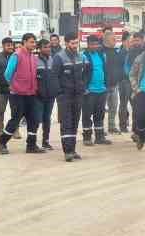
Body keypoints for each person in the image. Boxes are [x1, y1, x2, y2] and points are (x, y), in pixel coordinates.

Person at [0, 33, 43, 155]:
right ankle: (1, 142)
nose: (34, 44)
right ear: (24, 42)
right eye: (31, 42)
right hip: (17, 94)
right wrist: (15, 86)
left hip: (31, 94)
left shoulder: (33, 57)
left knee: (34, 120)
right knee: (15, 120)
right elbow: (7, 74)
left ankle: (31, 145)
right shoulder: (16, 55)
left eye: (35, 42)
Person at [51, 32, 90, 162]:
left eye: (76, 43)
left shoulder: (81, 57)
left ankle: (72, 150)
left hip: (78, 95)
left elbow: (86, 73)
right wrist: (59, 93)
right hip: (65, 96)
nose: (75, 45)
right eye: (72, 43)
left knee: (74, 123)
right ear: (66, 43)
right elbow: (54, 77)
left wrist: (83, 86)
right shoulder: (59, 57)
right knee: (66, 123)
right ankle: (67, 151)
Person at [82, 34, 113, 146]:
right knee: (87, 115)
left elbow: (105, 71)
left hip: (102, 90)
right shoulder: (83, 56)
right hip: (89, 91)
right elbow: (82, 74)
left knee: (99, 115)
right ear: (88, 44)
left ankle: (99, 137)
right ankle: (87, 137)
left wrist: (106, 85)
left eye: (97, 44)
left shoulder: (101, 55)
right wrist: (84, 88)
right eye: (93, 44)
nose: (95, 46)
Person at [116, 31, 145, 134]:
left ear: (143, 40)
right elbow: (126, 67)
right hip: (126, 82)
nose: (135, 42)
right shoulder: (130, 52)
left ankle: (136, 128)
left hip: (139, 83)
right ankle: (123, 126)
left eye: (137, 40)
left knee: (137, 106)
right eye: (134, 40)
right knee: (124, 104)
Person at [35, 37, 57, 150]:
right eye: (45, 47)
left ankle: (46, 141)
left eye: (49, 47)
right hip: (38, 96)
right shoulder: (34, 61)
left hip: (50, 96)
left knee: (47, 119)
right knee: (36, 119)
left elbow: (56, 76)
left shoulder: (52, 60)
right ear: (39, 49)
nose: (48, 49)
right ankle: (32, 142)